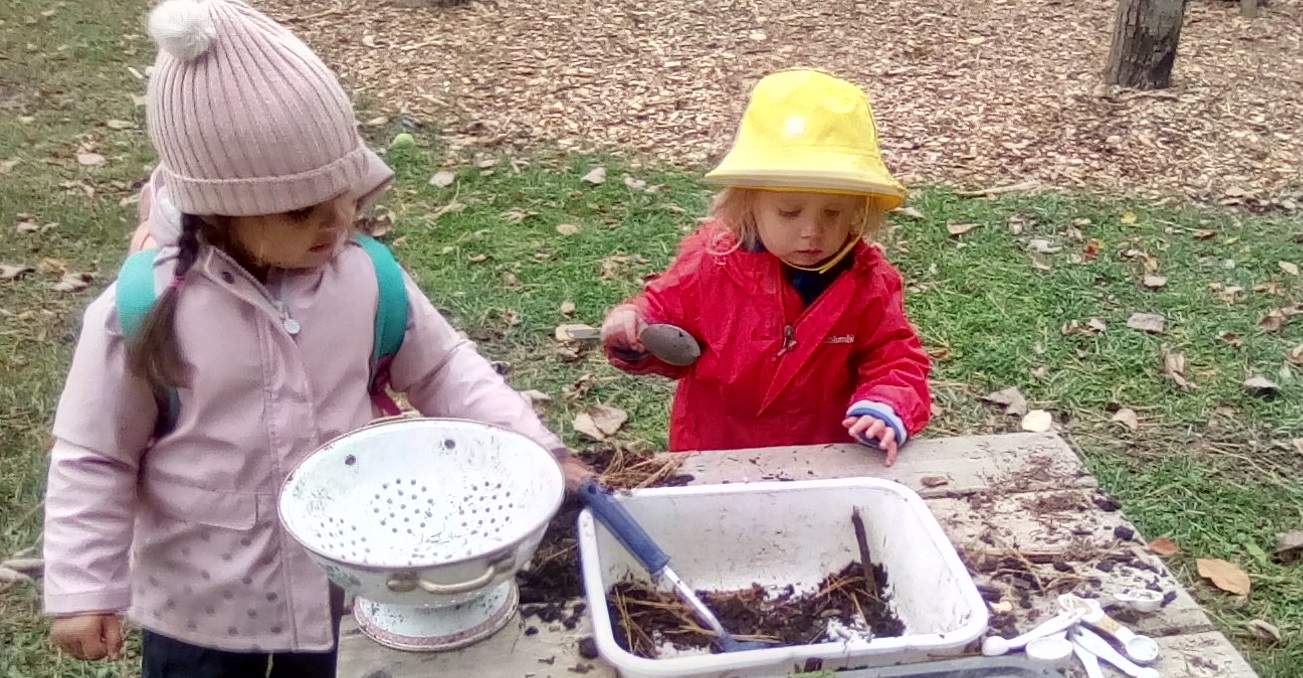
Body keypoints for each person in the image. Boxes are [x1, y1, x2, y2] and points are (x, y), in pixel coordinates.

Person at [42, 0, 590, 675]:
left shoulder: (367, 279)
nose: (337, 225)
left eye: (348, 196)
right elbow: (94, 455)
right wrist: (83, 586)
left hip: (342, 582)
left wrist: (536, 448)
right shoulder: (142, 308)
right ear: (222, 207)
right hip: (200, 604)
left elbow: (446, 366)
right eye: (304, 210)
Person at [601, 68, 931, 463]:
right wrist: (633, 331)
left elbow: (894, 357)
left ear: (859, 213)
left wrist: (885, 405)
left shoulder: (867, 280)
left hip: (822, 457)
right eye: (789, 212)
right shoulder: (709, 264)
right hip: (716, 452)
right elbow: (664, 328)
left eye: (833, 213)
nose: (812, 231)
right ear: (747, 205)